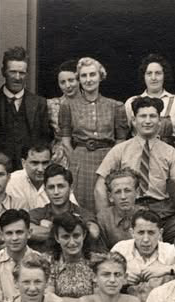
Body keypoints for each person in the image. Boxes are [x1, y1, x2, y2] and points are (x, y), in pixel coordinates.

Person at [96, 96, 175, 243]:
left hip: (162, 211)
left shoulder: (170, 152)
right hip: (129, 211)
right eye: (143, 116)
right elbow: (100, 185)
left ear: (160, 121)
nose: (148, 121)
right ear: (134, 121)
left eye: (152, 116)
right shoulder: (120, 150)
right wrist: (106, 218)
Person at [60, 56, 128, 209]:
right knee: (81, 206)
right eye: (84, 75)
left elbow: (121, 141)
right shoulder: (68, 106)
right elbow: (65, 141)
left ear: (100, 76)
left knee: (106, 204)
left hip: (107, 160)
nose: (88, 79)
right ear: (79, 79)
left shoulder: (115, 106)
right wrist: (75, 162)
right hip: (80, 161)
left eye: (92, 74)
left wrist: (112, 162)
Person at [124, 54, 175, 154]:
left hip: (167, 158)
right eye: (149, 73)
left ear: (164, 75)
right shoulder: (131, 102)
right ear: (144, 76)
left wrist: (173, 154)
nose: (153, 78)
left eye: (158, 73)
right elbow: (122, 136)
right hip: (138, 157)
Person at [0, 46, 52, 171]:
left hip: (29, 172)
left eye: (22, 73)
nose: (17, 77)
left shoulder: (39, 103)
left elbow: (44, 140)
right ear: (3, 72)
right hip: (0, 171)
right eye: (12, 72)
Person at [111, 209, 175, 302]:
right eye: (141, 233)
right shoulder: (120, 249)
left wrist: (167, 269)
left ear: (160, 233)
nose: (146, 239)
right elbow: (105, 277)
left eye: (151, 233)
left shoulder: (170, 251)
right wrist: (122, 279)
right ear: (132, 232)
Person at [29, 164, 99, 250]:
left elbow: (94, 233)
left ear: (71, 188)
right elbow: (28, 232)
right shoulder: (37, 214)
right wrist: (74, 229)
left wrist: (51, 227)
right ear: (45, 190)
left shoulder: (83, 213)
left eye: (61, 186)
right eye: (51, 187)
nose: (56, 192)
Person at [0, 209, 41, 302]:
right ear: (1, 236)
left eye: (19, 232)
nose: (14, 238)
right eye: (9, 233)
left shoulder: (40, 260)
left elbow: (44, 298)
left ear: (29, 233)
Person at [45, 213, 98, 302]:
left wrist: (64, 300)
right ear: (57, 238)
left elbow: (97, 301)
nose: (72, 242)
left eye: (76, 236)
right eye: (66, 237)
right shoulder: (49, 261)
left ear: (84, 235)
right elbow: (48, 299)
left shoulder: (96, 262)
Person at [47, 60, 79, 167]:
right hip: (59, 157)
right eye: (63, 82)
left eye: (71, 80)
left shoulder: (91, 104)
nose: (67, 85)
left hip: (84, 154)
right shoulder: (51, 105)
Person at [97, 168, 138, 249]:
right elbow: (101, 252)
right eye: (118, 192)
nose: (123, 197)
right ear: (110, 196)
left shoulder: (146, 216)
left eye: (127, 191)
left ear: (137, 192)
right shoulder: (103, 220)